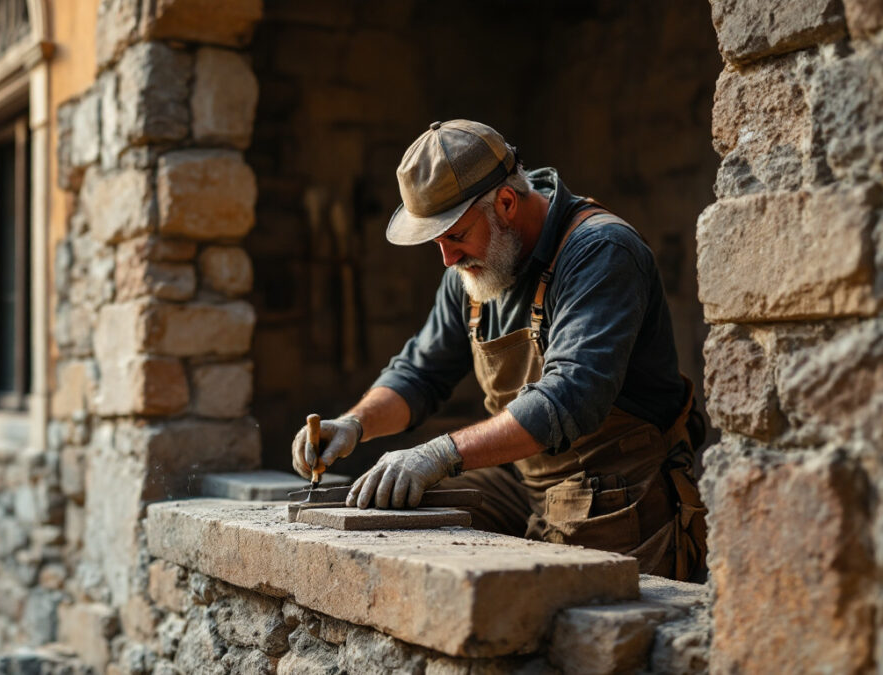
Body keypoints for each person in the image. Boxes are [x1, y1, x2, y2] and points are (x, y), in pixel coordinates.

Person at [291, 120, 706, 581]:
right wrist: (355, 424)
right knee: (399, 511)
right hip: (523, 477)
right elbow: (420, 373)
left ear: (506, 204)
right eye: (436, 241)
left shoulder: (600, 251)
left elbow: (569, 399)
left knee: (563, 627)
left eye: (455, 236)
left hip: (613, 485)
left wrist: (437, 454)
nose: (447, 259)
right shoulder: (471, 270)